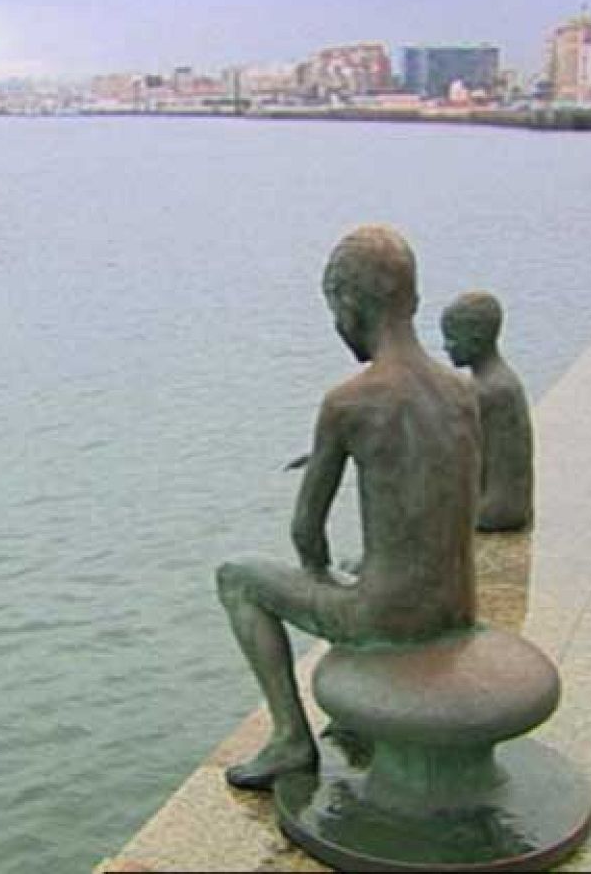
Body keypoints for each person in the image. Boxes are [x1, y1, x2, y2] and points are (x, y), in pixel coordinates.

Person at [216, 225, 481, 790]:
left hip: (390, 620)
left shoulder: (349, 402)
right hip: (456, 608)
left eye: (334, 310)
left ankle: (290, 738)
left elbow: (306, 532)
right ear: (411, 298)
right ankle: (354, 711)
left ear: (348, 304)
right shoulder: (462, 393)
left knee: (237, 578)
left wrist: (318, 579)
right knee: (366, 564)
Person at [441, 291, 534, 532]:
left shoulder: (488, 391)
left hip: (498, 510)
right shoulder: (503, 380)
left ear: (476, 337)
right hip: (512, 504)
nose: (445, 347)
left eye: (451, 338)